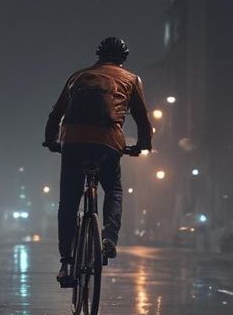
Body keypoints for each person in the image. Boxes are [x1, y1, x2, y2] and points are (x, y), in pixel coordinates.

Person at [44, 36, 152, 285]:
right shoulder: (131, 80)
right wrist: (143, 146)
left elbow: (56, 112)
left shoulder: (78, 76)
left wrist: (51, 140)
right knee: (113, 189)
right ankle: (108, 238)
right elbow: (142, 118)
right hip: (109, 142)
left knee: (68, 202)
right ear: (123, 59)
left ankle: (66, 263)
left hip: (73, 141)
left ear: (98, 56)